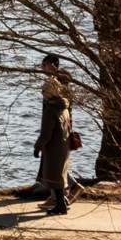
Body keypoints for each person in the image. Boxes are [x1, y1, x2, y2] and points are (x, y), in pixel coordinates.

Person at [33, 54, 76, 214]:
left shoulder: (52, 109)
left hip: (54, 144)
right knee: (57, 173)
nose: (42, 93)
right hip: (61, 142)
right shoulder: (62, 107)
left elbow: (46, 132)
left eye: (44, 91)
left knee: (53, 175)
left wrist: (38, 147)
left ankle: (60, 203)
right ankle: (62, 199)